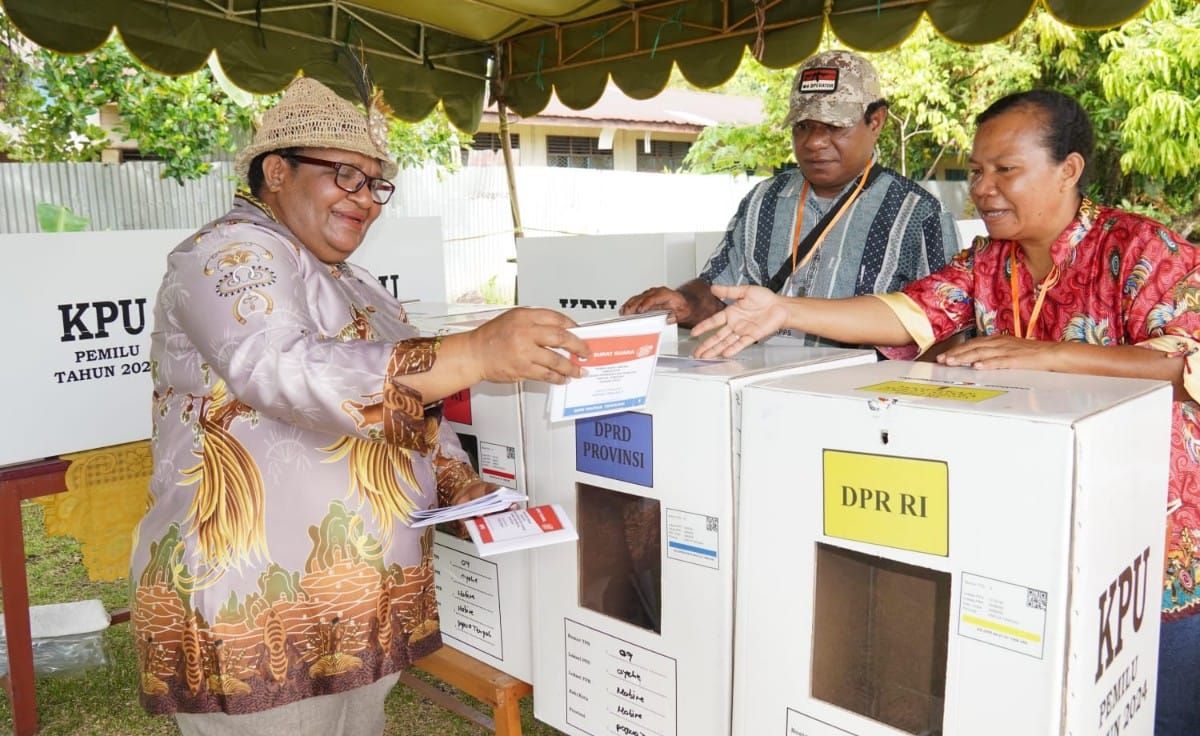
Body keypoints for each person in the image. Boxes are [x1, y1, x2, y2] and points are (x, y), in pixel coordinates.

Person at [691, 89, 1200, 734]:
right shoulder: (987, 260)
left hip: (1149, 549)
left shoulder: (1140, 249)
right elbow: (904, 312)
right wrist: (786, 310)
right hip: (1030, 527)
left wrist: (1048, 355)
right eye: (977, 171)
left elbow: (1186, 363)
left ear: (1068, 169)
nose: (983, 189)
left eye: (1005, 170)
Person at [129, 76, 590, 736]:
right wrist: (476, 353)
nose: (366, 201)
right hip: (258, 612)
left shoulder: (358, 284)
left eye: (375, 185)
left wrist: (468, 492)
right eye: (345, 176)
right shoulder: (228, 253)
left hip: (362, 608)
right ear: (277, 171)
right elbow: (278, 368)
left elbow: (409, 407)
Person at [620, 49, 961, 344]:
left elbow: (946, 328)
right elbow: (719, 291)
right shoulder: (763, 202)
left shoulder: (919, 215)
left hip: (864, 400)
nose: (813, 142)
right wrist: (684, 303)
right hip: (763, 386)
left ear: (876, 121)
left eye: (833, 126)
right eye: (803, 126)